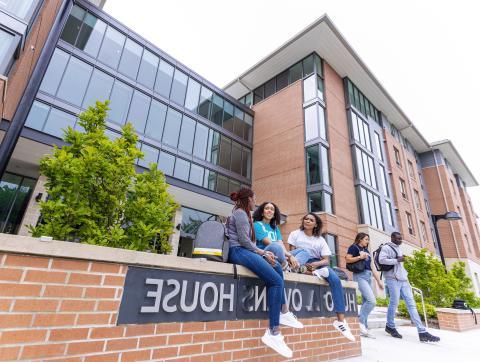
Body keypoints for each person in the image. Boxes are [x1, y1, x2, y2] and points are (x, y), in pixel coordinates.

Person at [226, 187, 303, 358]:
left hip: (244, 250)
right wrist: (263, 253)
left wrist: (266, 254)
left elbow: (248, 241)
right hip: (237, 251)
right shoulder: (240, 213)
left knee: (275, 266)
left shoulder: (243, 214)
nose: (256, 202)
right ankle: (273, 332)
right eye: (254, 199)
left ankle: (284, 311)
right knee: (275, 281)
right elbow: (244, 241)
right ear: (248, 199)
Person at [287, 212, 355, 342]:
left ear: (316, 224)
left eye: (311, 220)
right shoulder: (295, 234)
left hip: (316, 263)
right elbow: (291, 254)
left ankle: (340, 321)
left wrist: (315, 264)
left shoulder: (320, 239)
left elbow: (326, 260)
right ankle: (311, 272)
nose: (307, 221)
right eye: (306, 219)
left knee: (335, 280)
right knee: (304, 254)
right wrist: (301, 262)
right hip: (299, 260)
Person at [379, 232, 440, 342]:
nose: (400, 240)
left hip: (404, 280)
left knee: (411, 304)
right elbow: (381, 260)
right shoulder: (386, 248)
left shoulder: (399, 248)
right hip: (393, 279)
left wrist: (401, 261)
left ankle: (422, 332)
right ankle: (390, 326)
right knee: (394, 303)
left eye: (401, 239)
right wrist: (397, 260)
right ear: (392, 238)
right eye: (398, 238)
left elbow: (399, 263)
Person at [345, 232, 384, 338]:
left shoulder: (366, 250)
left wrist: (379, 281)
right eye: (366, 239)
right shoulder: (354, 247)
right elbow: (347, 259)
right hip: (359, 276)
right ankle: (360, 323)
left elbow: (371, 267)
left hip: (368, 276)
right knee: (371, 301)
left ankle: (364, 329)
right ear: (360, 239)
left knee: (366, 302)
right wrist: (359, 257)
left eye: (368, 239)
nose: (368, 241)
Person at [252, 201, 299, 271]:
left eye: (272, 209)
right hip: (266, 254)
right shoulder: (257, 225)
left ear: (274, 214)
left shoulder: (275, 227)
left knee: (303, 251)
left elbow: (281, 244)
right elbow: (270, 243)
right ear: (262, 213)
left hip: (279, 253)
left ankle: (292, 265)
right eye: (267, 208)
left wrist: (288, 255)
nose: (269, 211)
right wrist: (289, 256)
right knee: (275, 245)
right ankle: (287, 266)